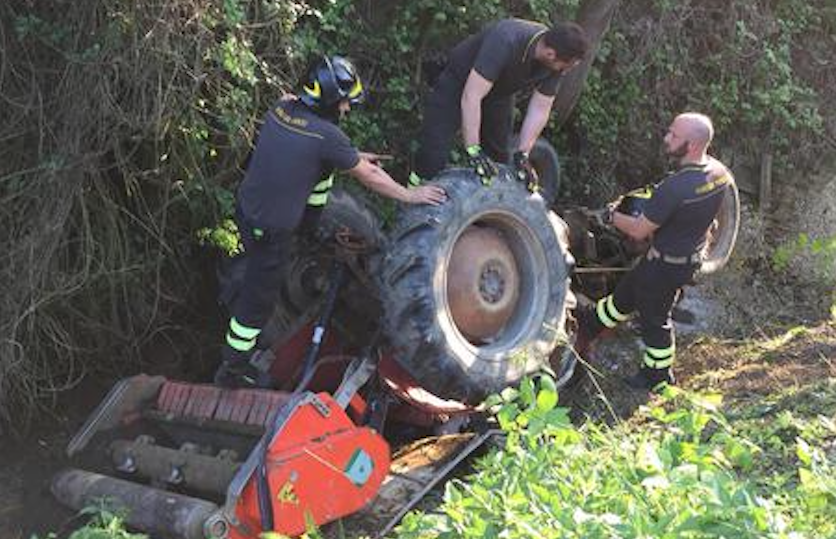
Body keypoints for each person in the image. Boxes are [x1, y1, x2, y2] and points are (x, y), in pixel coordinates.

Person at [216, 55, 447, 387]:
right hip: (272, 228)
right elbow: (370, 176)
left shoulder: (282, 109)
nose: (347, 109)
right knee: (259, 297)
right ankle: (233, 368)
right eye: (344, 102)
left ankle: (308, 231)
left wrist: (351, 157)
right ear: (327, 99)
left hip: (249, 210)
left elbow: (308, 148)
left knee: (260, 271)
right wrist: (409, 195)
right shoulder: (327, 137)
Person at [579, 112, 734, 391]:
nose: (666, 138)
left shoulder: (675, 188)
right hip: (685, 258)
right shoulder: (719, 173)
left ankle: (658, 374)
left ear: (692, 145)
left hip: (665, 267)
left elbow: (639, 230)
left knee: (655, 321)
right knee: (626, 294)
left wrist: (611, 216)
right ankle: (589, 325)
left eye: (674, 136)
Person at [409, 19, 589, 186]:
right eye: (566, 66)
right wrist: (473, 150)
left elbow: (540, 108)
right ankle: (414, 193)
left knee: (498, 158)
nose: (566, 71)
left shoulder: (556, 62)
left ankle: (487, 204)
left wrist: (523, 153)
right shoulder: (506, 39)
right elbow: (472, 96)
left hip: (499, 94)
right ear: (550, 54)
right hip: (460, 82)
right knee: (433, 152)